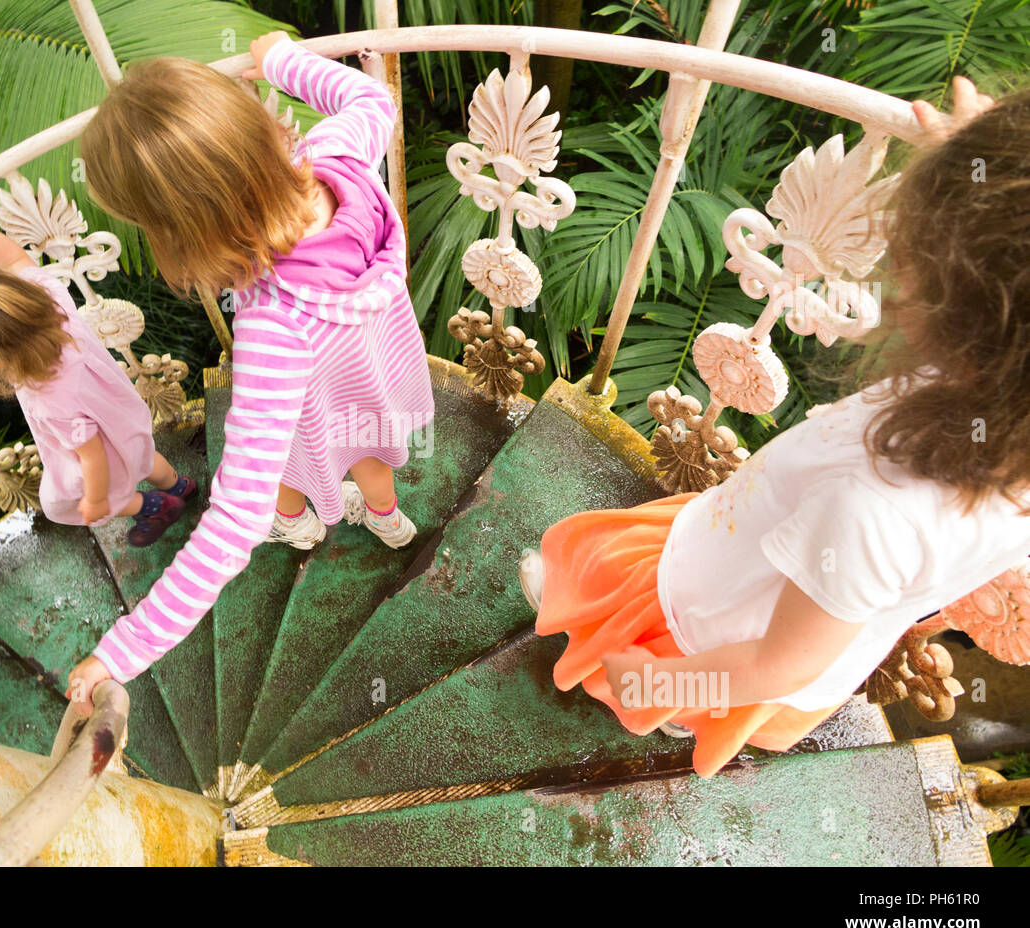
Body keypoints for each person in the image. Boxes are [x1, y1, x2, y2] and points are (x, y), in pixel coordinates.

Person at [520, 77, 1030, 777]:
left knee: (661, 663)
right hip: (773, 567)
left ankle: (641, 690)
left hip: (722, 613)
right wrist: (988, 179)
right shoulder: (1005, 413)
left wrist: (659, 683)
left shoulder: (875, 510)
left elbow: (769, 663)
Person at [65, 32, 434, 707]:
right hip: (382, 379)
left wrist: (121, 649)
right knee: (376, 454)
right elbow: (372, 95)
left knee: (285, 481)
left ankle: (298, 524)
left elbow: (234, 519)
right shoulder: (339, 157)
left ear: (182, 230)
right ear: (254, 124)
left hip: (310, 414)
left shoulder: (272, 323)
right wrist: (281, 62)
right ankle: (386, 517)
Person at [0, 183, 196, 546]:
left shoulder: (50, 397)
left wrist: (96, 501)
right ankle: (180, 486)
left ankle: (153, 505)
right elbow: (14, 258)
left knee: (62, 503)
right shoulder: (47, 298)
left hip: (99, 454)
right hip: (122, 416)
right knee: (140, 453)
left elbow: (93, 456)